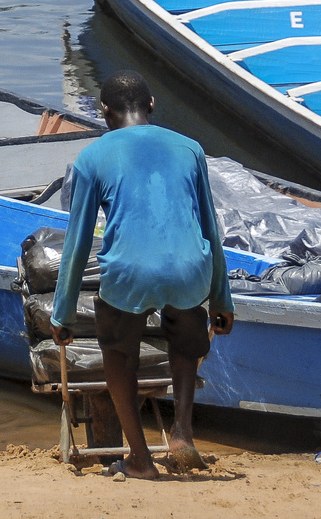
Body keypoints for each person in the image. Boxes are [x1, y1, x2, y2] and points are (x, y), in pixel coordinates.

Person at [49, 71, 234, 479]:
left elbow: (77, 244)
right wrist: (222, 300)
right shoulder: (190, 149)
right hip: (191, 271)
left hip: (130, 273)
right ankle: (182, 430)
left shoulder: (92, 157)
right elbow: (210, 230)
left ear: (105, 112)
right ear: (151, 104)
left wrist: (61, 314)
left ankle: (139, 458)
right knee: (187, 336)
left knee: (118, 352)